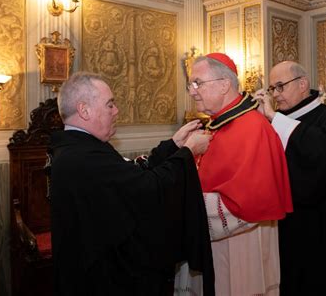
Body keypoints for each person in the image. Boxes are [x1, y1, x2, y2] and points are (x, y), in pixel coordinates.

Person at [49, 72, 215, 295]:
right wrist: (188, 152)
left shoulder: (79, 148)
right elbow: (146, 188)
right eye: (110, 105)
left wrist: (174, 145)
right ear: (84, 110)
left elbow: (131, 175)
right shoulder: (83, 158)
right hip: (101, 279)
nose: (116, 111)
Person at [176, 53, 293, 296]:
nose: (192, 91)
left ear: (224, 85)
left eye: (197, 83)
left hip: (241, 243)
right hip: (216, 243)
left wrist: (183, 206)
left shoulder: (252, 127)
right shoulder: (216, 123)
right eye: (190, 85)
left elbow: (248, 204)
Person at [253, 61, 326, 295]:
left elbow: (321, 153)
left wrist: (274, 118)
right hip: (288, 223)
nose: (276, 95)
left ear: (303, 84)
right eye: (272, 89)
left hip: (323, 226)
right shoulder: (277, 120)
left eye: (280, 86)